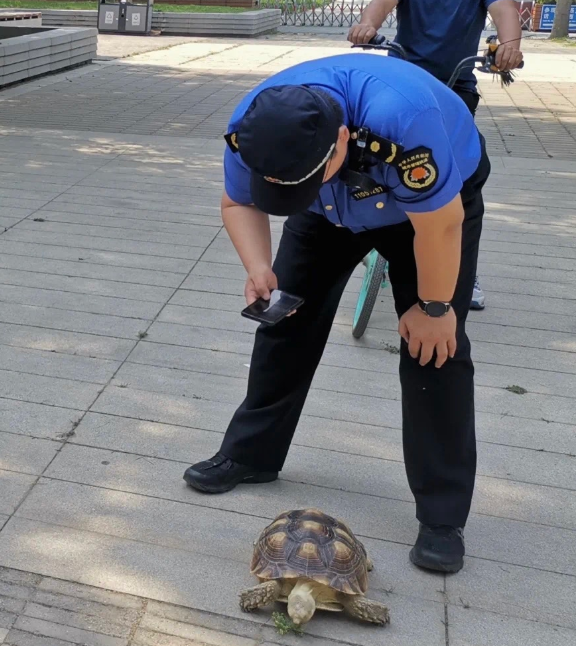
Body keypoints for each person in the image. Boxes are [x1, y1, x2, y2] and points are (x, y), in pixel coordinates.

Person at [184, 51, 492, 574]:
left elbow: (440, 225)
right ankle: (252, 455)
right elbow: (239, 203)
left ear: (342, 142)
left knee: (433, 349)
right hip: (325, 214)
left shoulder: (403, 122)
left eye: (302, 182)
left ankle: (442, 516)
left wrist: (436, 308)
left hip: (429, 210)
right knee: (284, 319)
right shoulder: (251, 128)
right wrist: (259, 267)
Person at [348, 0, 523, 310]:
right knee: (377, 154)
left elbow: (505, 11)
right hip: (403, 80)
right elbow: (382, 3)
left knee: (461, 177)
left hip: (456, 87)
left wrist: (509, 46)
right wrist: (368, 25)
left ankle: (461, 270)